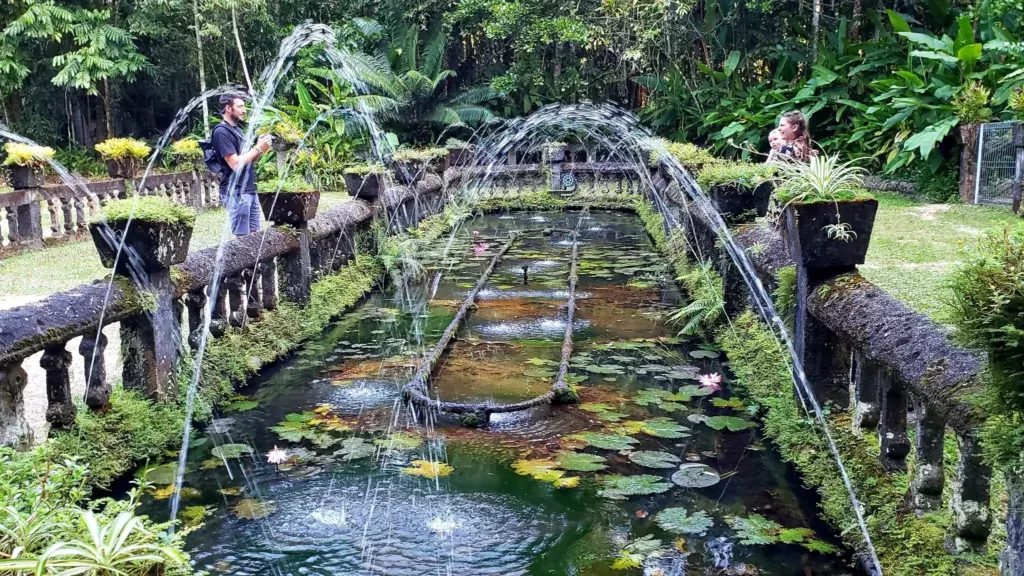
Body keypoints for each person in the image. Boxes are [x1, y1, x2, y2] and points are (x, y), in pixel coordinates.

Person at [212, 93, 272, 237]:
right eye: (240, 106)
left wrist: (262, 148)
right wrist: (257, 148)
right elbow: (235, 164)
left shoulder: (238, 131)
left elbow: (249, 160)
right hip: (236, 192)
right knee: (242, 240)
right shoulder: (221, 132)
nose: (244, 110)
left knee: (254, 235)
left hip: (249, 189)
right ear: (228, 108)